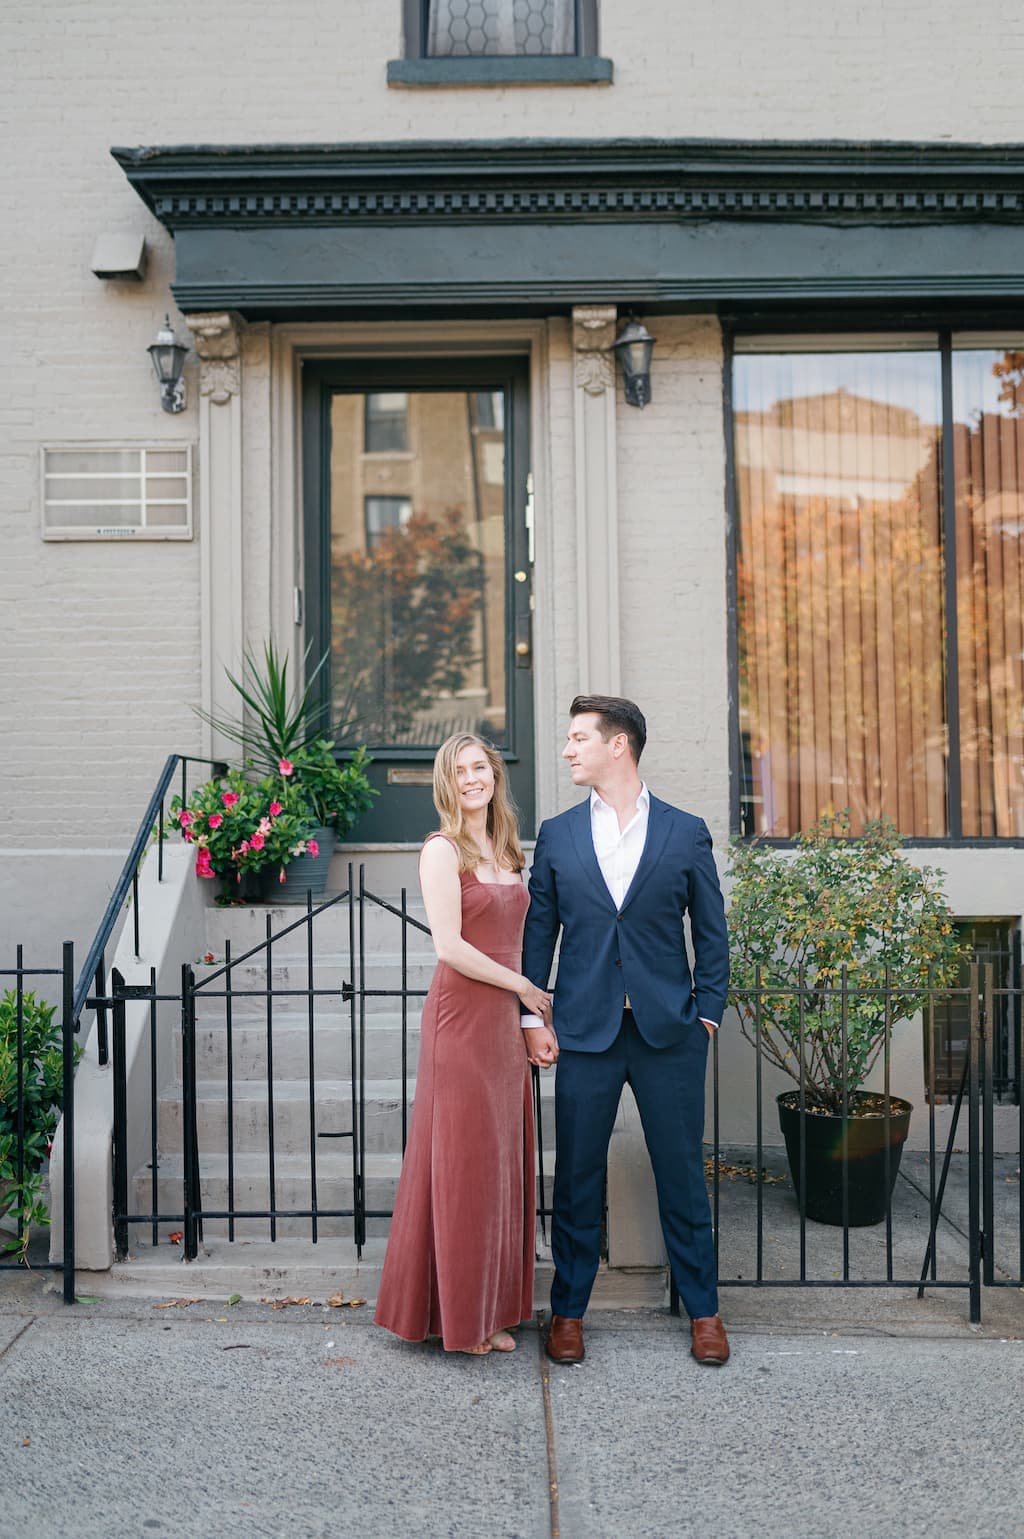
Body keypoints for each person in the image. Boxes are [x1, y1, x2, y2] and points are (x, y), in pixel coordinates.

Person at [520, 695, 731, 1367]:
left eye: (579, 737)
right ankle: (569, 1312)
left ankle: (703, 1309)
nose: (567, 749)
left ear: (620, 745)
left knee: (681, 1174)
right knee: (577, 1176)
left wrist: (707, 1012)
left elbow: (712, 933)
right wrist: (532, 1016)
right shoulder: (557, 834)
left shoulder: (684, 830)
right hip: (584, 1029)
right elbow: (538, 932)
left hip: (669, 1030)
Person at [374, 733, 553, 1356]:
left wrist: (528, 1015)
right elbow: (448, 946)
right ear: (446, 784)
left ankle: (493, 1308)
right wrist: (526, 989)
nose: (472, 778)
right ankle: (459, 1319)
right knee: (462, 1164)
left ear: (496, 775)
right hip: (463, 1016)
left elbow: (519, 932)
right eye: (460, 770)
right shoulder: (441, 849)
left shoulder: (507, 849)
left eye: (481, 767)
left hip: (504, 1020)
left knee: (498, 1162)